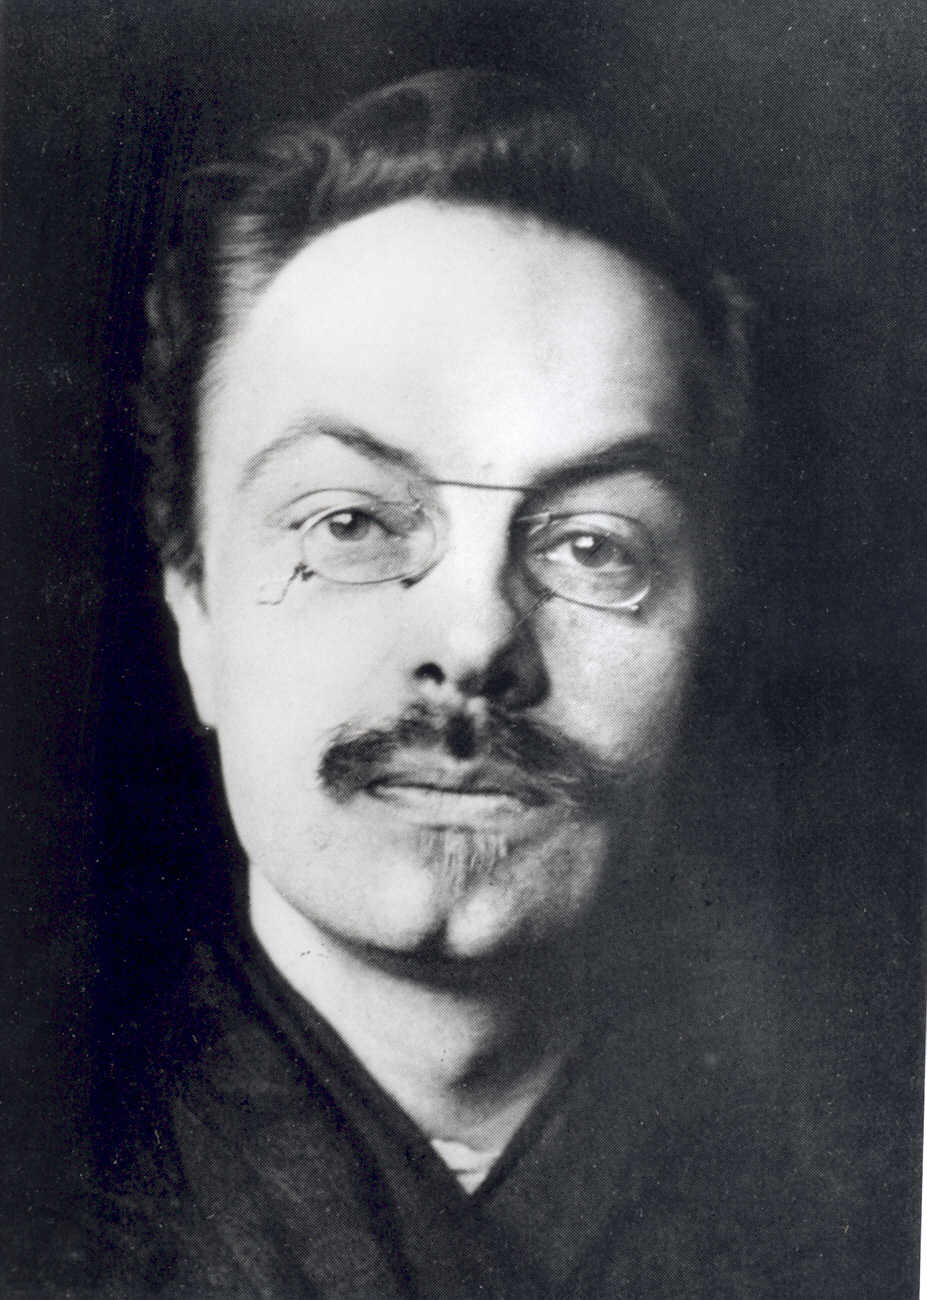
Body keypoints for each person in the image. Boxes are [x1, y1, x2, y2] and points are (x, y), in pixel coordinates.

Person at [73, 68, 851, 1297]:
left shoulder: (868, 1187)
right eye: (348, 523)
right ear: (195, 619)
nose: (477, 638)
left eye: (593, 545)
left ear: (707, 632)